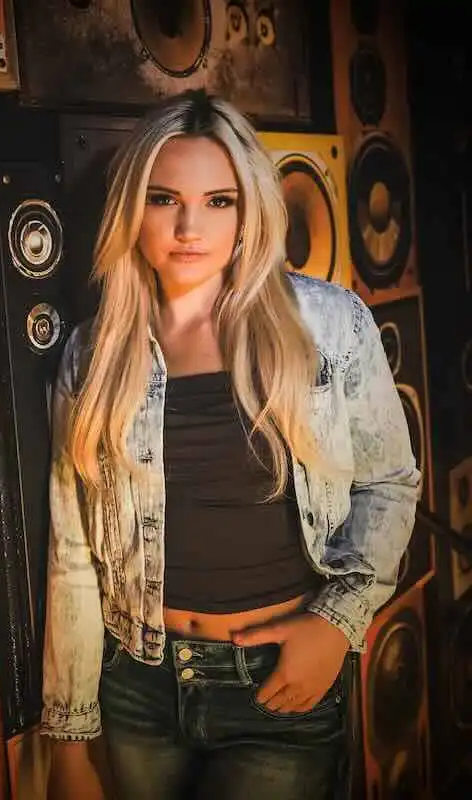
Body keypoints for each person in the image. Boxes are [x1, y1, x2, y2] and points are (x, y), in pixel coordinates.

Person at [40, 89, 420, 800]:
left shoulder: (328, 324)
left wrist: (336, 625)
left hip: (277, 683)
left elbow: (389, 483)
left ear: (249, 211)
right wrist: (69, 732)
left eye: (218, 200)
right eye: (163, 199)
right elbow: (71, 553)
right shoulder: (91, 355)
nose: (190, 225)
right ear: (132, 210)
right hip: (137, 690)